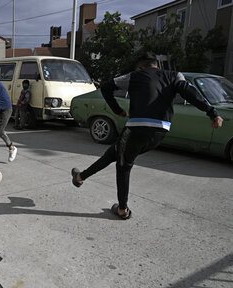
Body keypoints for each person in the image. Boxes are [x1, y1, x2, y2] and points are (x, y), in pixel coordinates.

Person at [71, 52, 223, 220]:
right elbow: (189, 92)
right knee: (114, 153)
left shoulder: (135, 75)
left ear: (140, 67)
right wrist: (212, 112)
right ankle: (80, 177)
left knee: (123, 165)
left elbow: (106, 87)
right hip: (160, 132)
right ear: (156, 65)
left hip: (136, 129)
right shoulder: (175, 75)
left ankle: (122, 210)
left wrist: (117, 110)